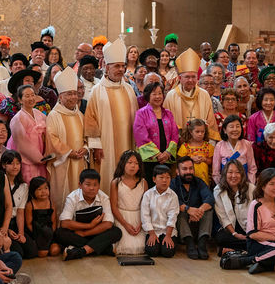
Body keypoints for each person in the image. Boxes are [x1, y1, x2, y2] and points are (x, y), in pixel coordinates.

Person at [85, 40, 138, 181]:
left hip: (128, 142)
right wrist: (96, 146)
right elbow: (91, 121)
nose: (121, 69)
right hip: (106, 145)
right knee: (108, 175)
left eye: (123, 66)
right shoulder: (96, 91)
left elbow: (136, 119)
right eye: (117, 66)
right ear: (107, 67)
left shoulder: (129, 89)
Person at [44, 67, 87, 213]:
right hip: (62, 164)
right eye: (69, 94)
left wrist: (85, 148)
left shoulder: (80, 115)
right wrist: (69, 152)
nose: (73, 97)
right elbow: (51, 139)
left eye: (75, 93)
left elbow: (87, 137)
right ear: (60, 96)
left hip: (80, 162)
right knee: (63, 197)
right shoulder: (54, 115)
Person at [55, 169, 123, 261]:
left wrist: (85, 233)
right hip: (78, 233)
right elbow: (64, 223)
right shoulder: (72, 198)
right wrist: (89, 225)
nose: (92, 188)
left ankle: (81, 251)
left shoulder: (104, 198)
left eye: (95, 185)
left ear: (99, 186)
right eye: (88, 184)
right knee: (60, 233)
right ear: (80, 185)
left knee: (116, 232)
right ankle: (105, 248)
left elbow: (108, 224)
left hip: (96, 233)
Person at [164, 48, 221, 141]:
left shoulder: (204, 95)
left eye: (193, 77)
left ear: (197, 78)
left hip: (201, 142)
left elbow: (210, 121)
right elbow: (167, 122)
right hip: (179, 141)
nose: (190, 80)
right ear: (180, 78)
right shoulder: (171, 96)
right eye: (187, 77)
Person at [133, 81, 179, 183]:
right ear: (148, 96)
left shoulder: (168, 113)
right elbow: (141, 136)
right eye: (154, 94)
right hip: (149, 160)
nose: (158, 96)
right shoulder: (141, 113)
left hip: (166, 159)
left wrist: (167, 153)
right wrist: (157, 155)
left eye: (160, 93)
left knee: (165, 184)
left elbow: (175, 134)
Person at [170, 156, 214, 259]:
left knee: (208, 210)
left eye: (191, 168)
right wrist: (188, 209)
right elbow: (172, 202)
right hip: (183, 226)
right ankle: (189, 244)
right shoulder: (173, 183)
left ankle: (202, 244)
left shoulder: (199, 182)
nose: (188, 172)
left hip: (198, 222)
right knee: (179, 212)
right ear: (177, 171)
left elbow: (210, 198)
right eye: (184, 169)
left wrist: (199, 211)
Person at [8, 84, 48, 181]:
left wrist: (47, 154)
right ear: (20, 100)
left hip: (43, 157)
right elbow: (23, 144)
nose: (31, 98)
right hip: (27, 160)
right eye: (27, 96)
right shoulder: (17, 119)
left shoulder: (40, 114)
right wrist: (39, 159)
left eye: (33, 95)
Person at [141, 165, 180, 258]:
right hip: (152, 230)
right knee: (152, 251)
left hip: (168, 231)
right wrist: (151, 234)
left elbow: (172, 216)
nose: (164, 180)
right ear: (154, 179)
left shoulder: (173, 196)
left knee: (168, 252)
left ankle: (165, 243)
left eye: (167, 178)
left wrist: (168, 236)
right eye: (161, 177)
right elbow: (145, 216)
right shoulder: (148, 194)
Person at [214, 114, 256, 184]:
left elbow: (252, 168)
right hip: (225, 184)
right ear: (224, 130)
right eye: (231, 127)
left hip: (244, 184)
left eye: (238, 126)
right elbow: (216, 172)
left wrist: (249, 185)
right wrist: (222, 185)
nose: (235, 129)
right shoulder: (219, 146)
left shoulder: (247, 144)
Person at [25, 177, 58, 258]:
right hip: (36, 233)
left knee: (55, 251)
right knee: (42, 254)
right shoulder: (30, 205)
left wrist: (50, 234)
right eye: (39, 189)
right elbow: (29, 224)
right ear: (33, 191)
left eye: (46, 188)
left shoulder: (51, 203)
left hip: (49, 233)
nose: (43, 192)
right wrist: (39, 236)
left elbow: (54, 221)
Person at [178, 118, 214, 187]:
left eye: (202, 132)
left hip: (204, 181)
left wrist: (204, 159)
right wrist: (191, 159)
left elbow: (211, 161)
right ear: (191, 132)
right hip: (188, 182)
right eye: (197, 132)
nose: (200, 134)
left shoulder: (208, 146)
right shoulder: (185, 146)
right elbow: (180, 161)